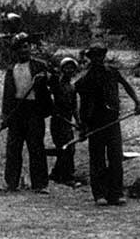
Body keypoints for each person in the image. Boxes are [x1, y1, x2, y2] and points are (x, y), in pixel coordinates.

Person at [75, 44, 140, 206]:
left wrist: (138, 102)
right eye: (94, 56)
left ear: (104, 56)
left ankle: (116, 193)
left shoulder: (113, 72)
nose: (98, 59)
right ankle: (99, 194)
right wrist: (82, 126)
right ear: (90, 58)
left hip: (113, 121)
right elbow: (81, 101)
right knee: (97, 158)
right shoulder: (87, 78)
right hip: (95, 123)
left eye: (100, 55)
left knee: (115, 157)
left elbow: (126, 85)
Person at [1, 37, 53, 193]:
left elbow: (54, 80)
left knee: (36, 147)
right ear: (15, 51)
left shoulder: (40, 66)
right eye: (20, 48)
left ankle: (40, 184)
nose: (24, 50)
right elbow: (7, 95)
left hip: (34, 111)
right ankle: (11, 183)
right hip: (17, 110)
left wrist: (45, 78)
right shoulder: (11, 69)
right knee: (13, 148)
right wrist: (5, 116)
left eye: (26, 47)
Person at [48, 57, 80, 185]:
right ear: (62, 69)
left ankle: (56, 173)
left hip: (68, 121)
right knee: (66, 148)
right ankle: (67, 177)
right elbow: (49, 92)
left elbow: (74, 106)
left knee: (68, 148)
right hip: (58, 121)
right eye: (67, 67)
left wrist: (78, 121)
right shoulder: (57, 84)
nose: (69, 70)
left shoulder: (72, 87)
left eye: (72, 68)